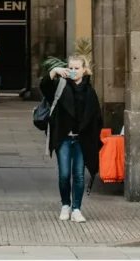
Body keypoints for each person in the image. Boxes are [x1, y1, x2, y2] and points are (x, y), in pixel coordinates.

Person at [40, 55, 102, 223]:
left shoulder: (90, 92)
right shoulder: (60, 86)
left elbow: (96, 118)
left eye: (77, 68)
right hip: (64, 138)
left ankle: (77, 208)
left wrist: (95, 140)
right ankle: (65, 205)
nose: (73, 71)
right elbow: (44, 87)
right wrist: (53, 72)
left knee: (79, 175)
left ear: (84, 70)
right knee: (64, 174)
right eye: (71, 68)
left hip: (82, 139)